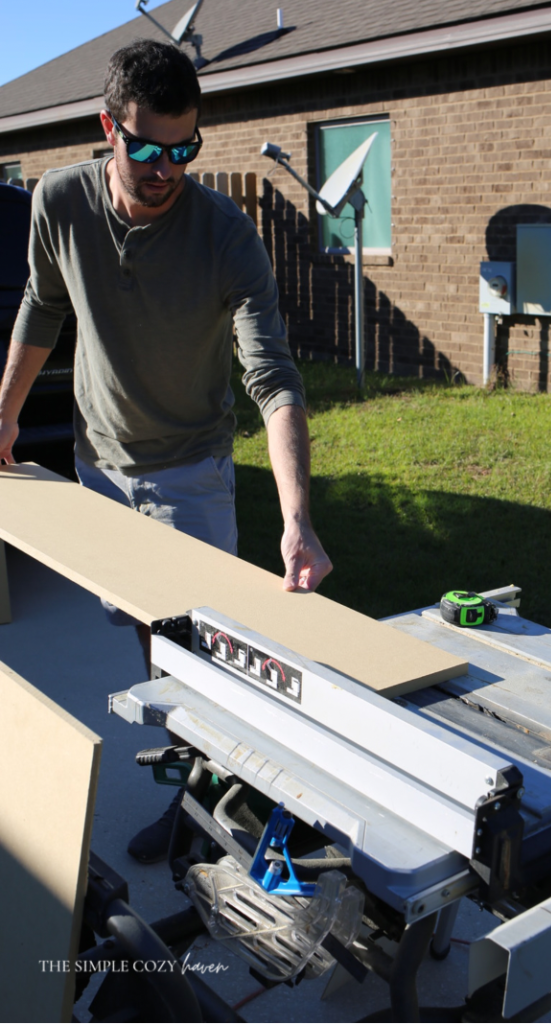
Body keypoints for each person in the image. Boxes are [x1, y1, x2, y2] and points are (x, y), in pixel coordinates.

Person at [0, 39, 332, 860]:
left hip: (190, 470)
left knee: (207, 652)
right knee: (150, 639)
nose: (167, 170)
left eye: (185, 150)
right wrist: (4, 414)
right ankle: (196, 795)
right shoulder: (59, 200)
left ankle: (221, 803)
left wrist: (297, 519)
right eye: (149, 149)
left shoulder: (224, 234)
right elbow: (43, 305)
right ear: (107, 127)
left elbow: (272, 377)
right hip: (100, 468)